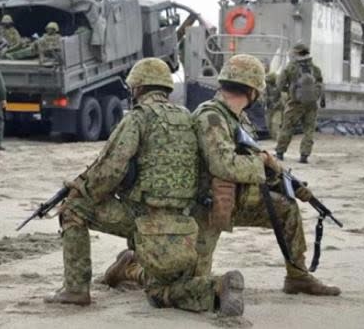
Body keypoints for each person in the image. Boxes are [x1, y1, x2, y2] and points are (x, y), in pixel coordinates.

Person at [104, 54, 340, 297]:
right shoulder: (211, 117)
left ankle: (298, 277)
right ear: (254, 90)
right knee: (186, 283)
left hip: (237, 199)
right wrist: (261, 162)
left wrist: (278, 176)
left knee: (286, 208)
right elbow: (224, 166)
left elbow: (245, 159)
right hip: (205, 207)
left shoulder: (237, 118)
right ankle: (130, 269)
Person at [44, 57, 245, 316]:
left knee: (73, 209)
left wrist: (83, 190)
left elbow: (111, 168)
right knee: (160, 287)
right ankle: (216, 287)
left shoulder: (138, 118)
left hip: (142, 219)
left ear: (137, 88)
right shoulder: (188, 118)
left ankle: (75, 290)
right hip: (184, 225)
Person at [275, 43, 324, 163]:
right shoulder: (315, 69)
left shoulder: (290, 67)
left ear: (296, 52)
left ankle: (280, 153)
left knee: (287, 127)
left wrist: (290, 91)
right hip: (311, 104)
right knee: (309, 130)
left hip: (295, 103)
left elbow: (279, 84)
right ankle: (304, 156)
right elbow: (321, 85)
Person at [265, 72, 284, 140]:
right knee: (268, 125)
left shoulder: (279, 86)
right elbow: (265, 96)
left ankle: (278, 138)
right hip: (269, 107)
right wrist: (269, 99)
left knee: (275, 123)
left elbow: (282, 97)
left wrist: (277, 104)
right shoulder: (267, 86)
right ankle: (274, 137)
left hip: (278, 107)